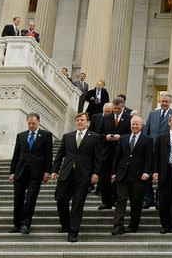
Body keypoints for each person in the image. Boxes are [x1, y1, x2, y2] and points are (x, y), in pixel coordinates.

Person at [51, 113, 102, 242]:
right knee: (60, 199)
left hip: (83, 176)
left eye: (82, 120)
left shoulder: (94, 137)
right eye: (77, 120)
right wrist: (54, 171)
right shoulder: (67, 137)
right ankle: (66, 225)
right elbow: (59, 156)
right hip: (66, 174)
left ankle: (73, 232)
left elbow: (98, 158)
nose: (79, 122)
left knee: (77, 204)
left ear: (88, 122)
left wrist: (96, 173)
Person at [9, 113, 53, 234]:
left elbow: (48, 155)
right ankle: (17, 224)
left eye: (33, 123)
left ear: (38, 122)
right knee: (18, 198)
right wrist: (12, 172)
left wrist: (47, 171)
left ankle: (25, 224)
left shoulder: (46, 135)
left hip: (36, 172)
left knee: (30, 199)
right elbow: (16, 155)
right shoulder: (21, 136)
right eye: (29, 123)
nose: (31, 125)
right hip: (20, 171)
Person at [111, 115, 153, 235]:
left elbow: (149, 158)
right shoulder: (123, 139)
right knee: (121, 199)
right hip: (122, 174)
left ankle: (133, 225)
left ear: (141, 126)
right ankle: (118, 226)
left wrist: (147, 171)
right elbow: (117, 157)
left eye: (136, 124)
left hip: (139, 176)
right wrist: (114, 172)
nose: (134, 126)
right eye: (133, 124)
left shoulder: (147, 140)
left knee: (136, 201)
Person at [142, 93, 172, 208]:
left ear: (170, 102)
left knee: (161, 177)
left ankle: (159, 200)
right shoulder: (153, 114)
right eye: (162, 101)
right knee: (147, 174)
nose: (164, 103)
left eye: (166, 101)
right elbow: (146, 131)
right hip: (150, 150)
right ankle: (148, 199)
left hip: (164, 152)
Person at [97, 96, 132, 210]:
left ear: (123, 106)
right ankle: (106, 202)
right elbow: (99, 133)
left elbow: (132, 134)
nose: (116, 110)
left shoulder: (128, 118)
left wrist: (120, 137)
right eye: (115, 108)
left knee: (119, 178)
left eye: (119, 108)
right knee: (104, 178)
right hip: (107, 153)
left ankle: (117, 201)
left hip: (122, 153)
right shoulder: (106, 118)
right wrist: (106, 136)